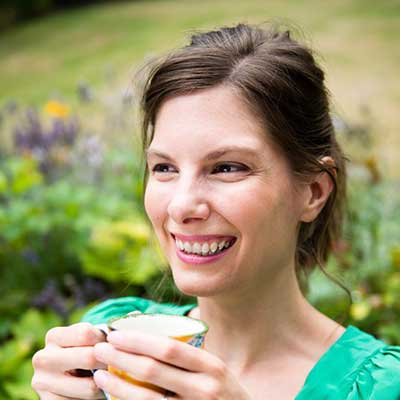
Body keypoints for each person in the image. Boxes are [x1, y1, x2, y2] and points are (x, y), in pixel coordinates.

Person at [31, 23, 400, 400]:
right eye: (164, 168)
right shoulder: (111, 343)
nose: (181, 205)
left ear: (313, 191)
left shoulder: (380, 387)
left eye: (227, 168)